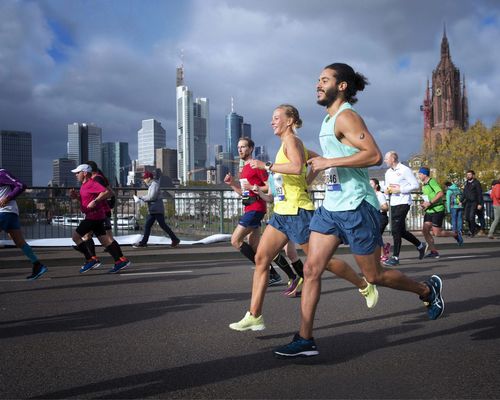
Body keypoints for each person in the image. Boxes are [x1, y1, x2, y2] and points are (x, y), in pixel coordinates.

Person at [273, 63, 444, 358]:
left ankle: (426, 291)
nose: (317, 84)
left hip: (357, 207)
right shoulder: (328, 121)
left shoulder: (346, 117)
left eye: (324, 80)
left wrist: (329, 163)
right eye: (317, 79)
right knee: (312, 269)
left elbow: (373, 154)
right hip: (331, 207)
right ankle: (305, 340)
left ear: (341, 86)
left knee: (375, 275)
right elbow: (339, 154)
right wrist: (316, 158)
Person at [229, 104, 379, 332]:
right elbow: (316, 161)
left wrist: (266, 165)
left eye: (276, 117)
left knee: (322, 262)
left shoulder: (292, 141)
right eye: (272, 118)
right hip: (281, 212)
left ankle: (363, 284)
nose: (272, 121)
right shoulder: (287, 144)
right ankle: (255, 315)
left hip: (299, 212)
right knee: (261, 259)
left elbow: (297, 165)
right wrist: (307, 180)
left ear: (289, 121)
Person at [223, 137, 289, 286]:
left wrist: (255, 187)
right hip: (249, 207)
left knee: (235, 240)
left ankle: (265, 270)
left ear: (251, 149)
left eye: (243, 147)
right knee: (256, 246)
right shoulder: (244, 169)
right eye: (238, 147)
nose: (240, 149)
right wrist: (232, 184)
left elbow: (268, 186)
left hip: (256, 208)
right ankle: (275, 274)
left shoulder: (255, 166)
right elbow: (244, 193)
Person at [70, 164, 131, 274]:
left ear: (84, 173)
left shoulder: (91, 183)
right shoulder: (84, 185)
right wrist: (76, 197)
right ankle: (119, 261)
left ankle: (90, 259)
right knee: (105, 240)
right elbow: (85, 200)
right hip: (96, 216)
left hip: (93, 216)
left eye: (77, 172)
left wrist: (96, 201)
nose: (76, 175)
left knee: (76, 236)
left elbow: (107, 192)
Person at [0, 168, 48, 280]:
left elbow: (21, 185)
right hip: (10, 213)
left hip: (5, 212)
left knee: (19, 242)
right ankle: (38, 265)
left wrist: (7, 198)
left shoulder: (2, 173)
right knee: (19, 242)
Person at [383, 151, 426, 266]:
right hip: (393, 203)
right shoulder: (387, 172)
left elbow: (415, 185)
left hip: (403, 202)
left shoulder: (405, 170)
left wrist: (400, 190)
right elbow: (387, 187)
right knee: (400, 231)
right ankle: (420, 246)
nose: (384, 160)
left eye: (386, 158)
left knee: (395, 230)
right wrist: (386, 191)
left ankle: (395, 257)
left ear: (393, 158)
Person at [418, 167, 463, 258]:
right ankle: (434, 251)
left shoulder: (432, 182)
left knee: (437, 233)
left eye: (420, 174)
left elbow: (440, 193)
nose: (418, 176)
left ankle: (455, 234)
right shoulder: (424, 185)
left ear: (425, 174)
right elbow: (428, 198)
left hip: (438, 210)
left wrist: (430, 203)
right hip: (429, 210)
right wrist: (423, 204)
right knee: (425, 230)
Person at [133, 171, 180, 248]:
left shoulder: (154, 185)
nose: (144, 180)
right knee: (155, 225)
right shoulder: (152, 185)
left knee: (152, 225)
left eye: (145, 178)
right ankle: (174, 239)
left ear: (149, 178)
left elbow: (152, 197)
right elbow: (151, 196)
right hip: (154, 209)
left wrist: (141, 198)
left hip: (156, 209)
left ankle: (144, 242)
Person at [370, 178, 391, 261]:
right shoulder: (370, 195)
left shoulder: (379, 194)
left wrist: (377, 206)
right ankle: (384, 248)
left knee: (376, 237)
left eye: (371, 184)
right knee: (374, 237)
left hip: (381, 217)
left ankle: (383, 255)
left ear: (376, 185)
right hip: (375, 218)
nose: (369, 185)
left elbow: (386, 207)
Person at [463, 170, 483, 237]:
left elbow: (479, 194)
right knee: (466, 217)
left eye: (469, 174)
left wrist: (480, 204)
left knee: (471, 217)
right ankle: (477, 227)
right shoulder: (466, 183)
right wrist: (460, 200)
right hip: (468, 202)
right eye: (467, 175)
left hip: (474, 202)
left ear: (473, 175)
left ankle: (472, 232)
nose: (468, 176)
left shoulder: (476, 183)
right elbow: (464, 193)